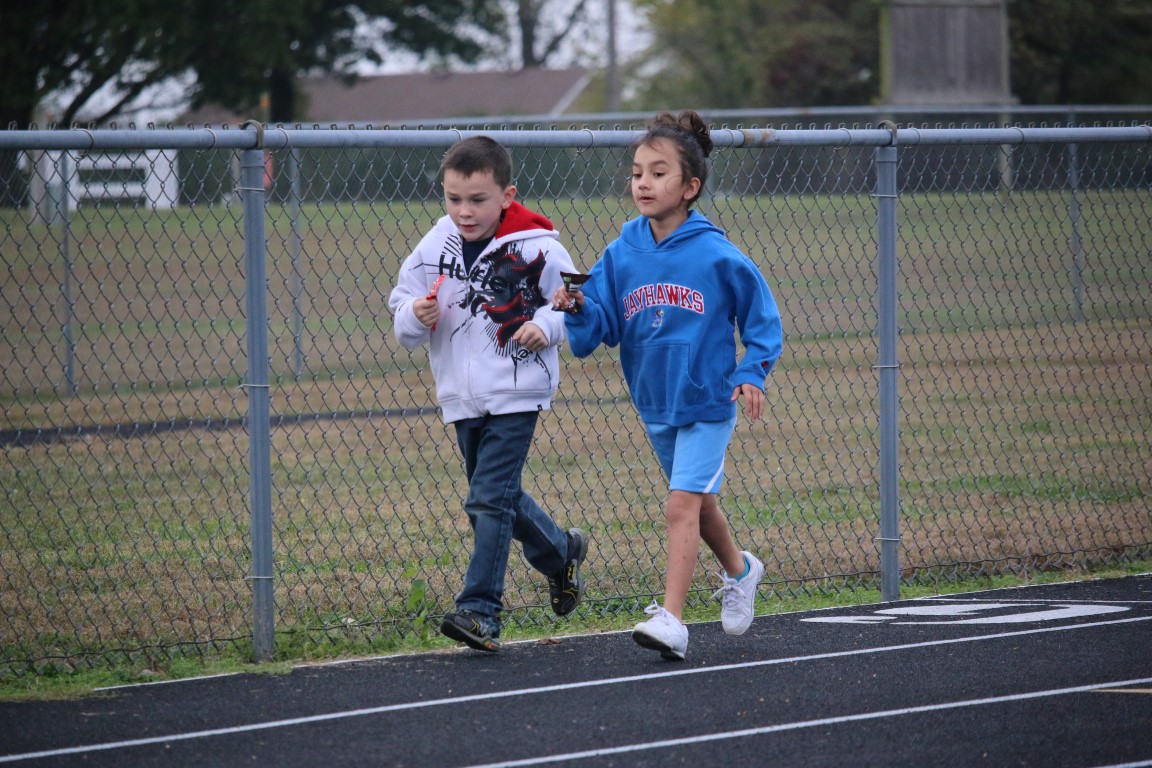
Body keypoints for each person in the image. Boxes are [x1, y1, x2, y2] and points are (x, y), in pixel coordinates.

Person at [552, 111, 782, 660]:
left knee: (679, 506)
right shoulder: (621, 252)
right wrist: (578, 308)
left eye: (658, 173)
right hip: (655, 403)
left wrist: (751, 373)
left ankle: (672, 621)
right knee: (699, 504)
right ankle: (741, 570)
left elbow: (762, 321)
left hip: (708, 401)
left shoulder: (716, 254)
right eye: (637, 173)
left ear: (690, 187)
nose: (644, 183)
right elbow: (600, 328)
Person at [389, 136, 589, 653]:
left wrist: (547, 325)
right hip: (461, 396)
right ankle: (561, 552)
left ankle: (480, 611)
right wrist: (414, 314)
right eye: (453, 198)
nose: (464, 211)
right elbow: (402, 304)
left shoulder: (539, 244)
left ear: (506, 196)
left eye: (477, 200)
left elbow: (572, 296)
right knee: (497, 496)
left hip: (517, 391)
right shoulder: (435, 243)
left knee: (486, 499)